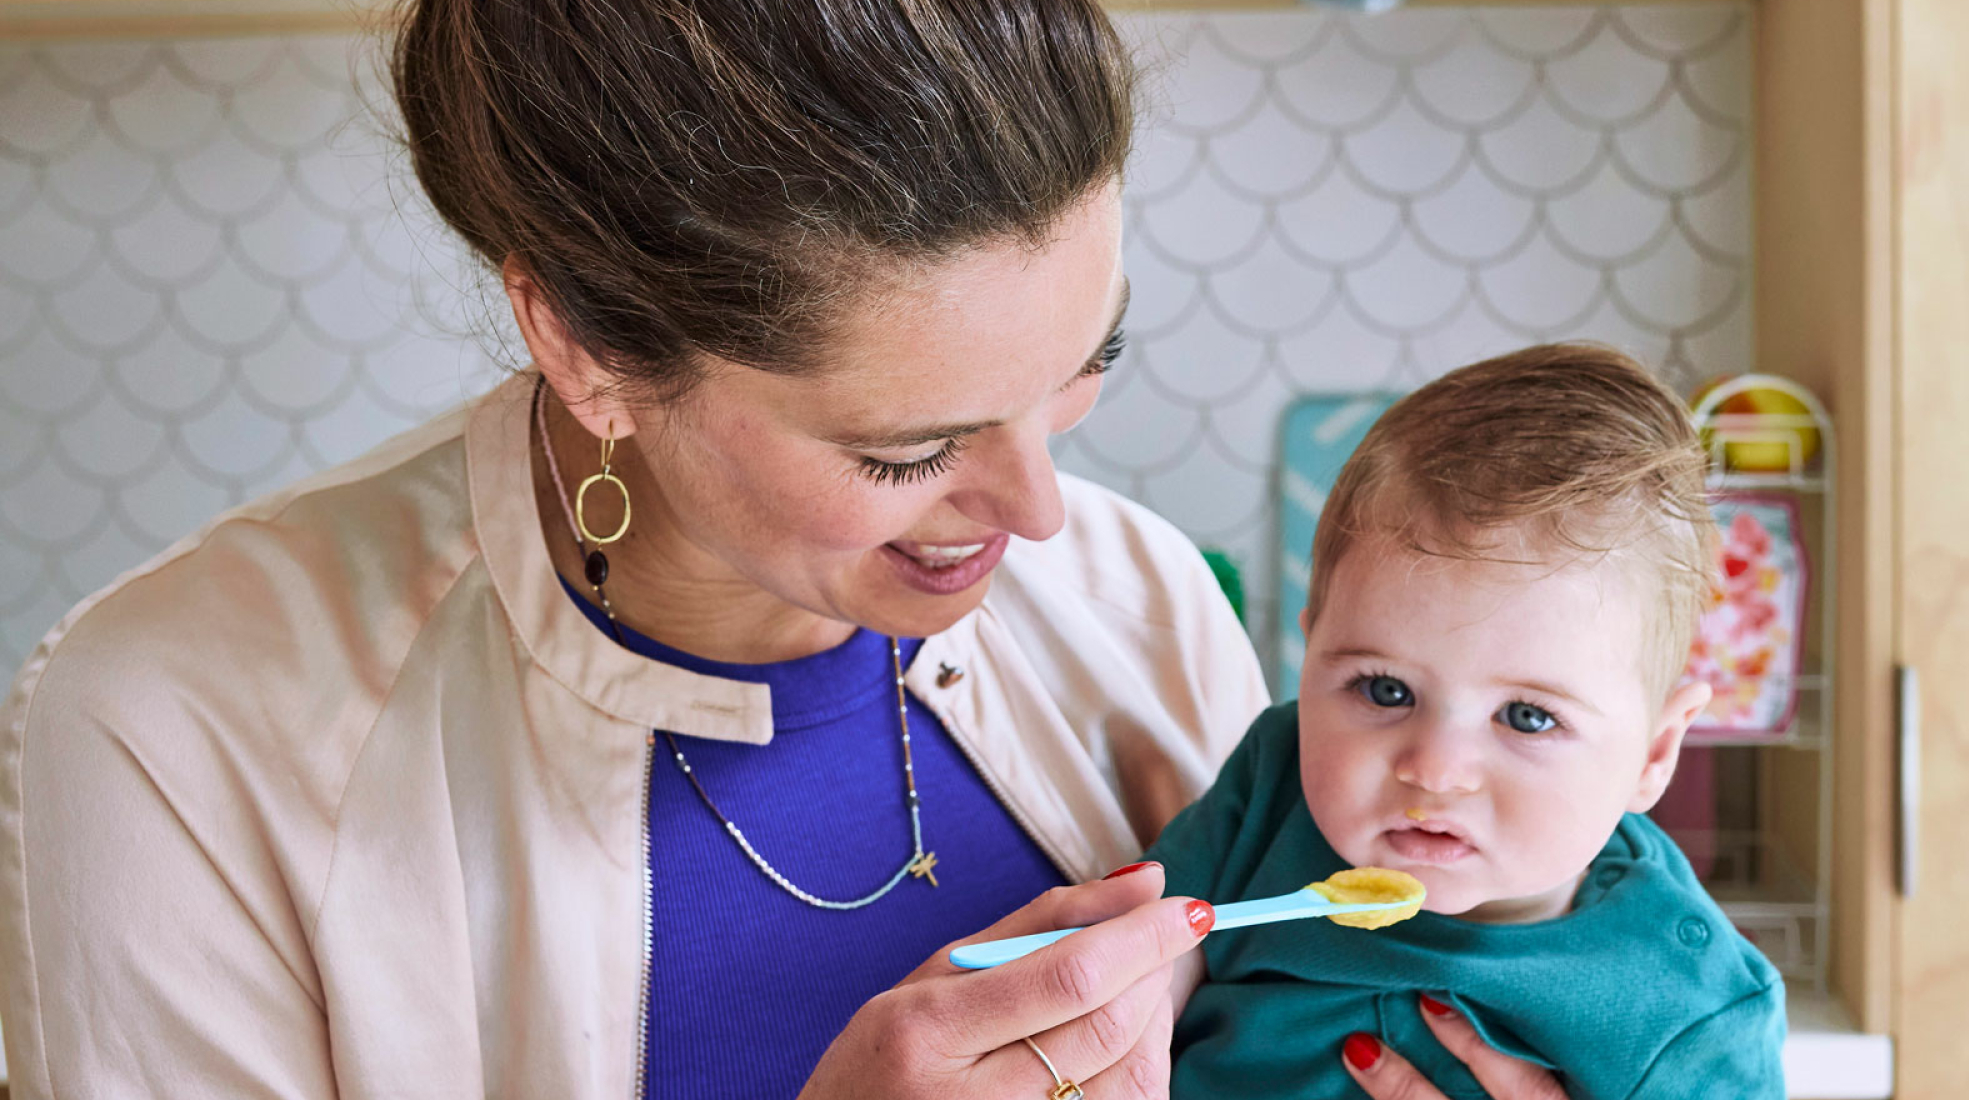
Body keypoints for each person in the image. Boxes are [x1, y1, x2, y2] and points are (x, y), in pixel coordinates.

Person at [0, 2, 1262, 1097]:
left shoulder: (1138, 598)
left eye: (1082, 367)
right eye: (906, 449)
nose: (1041, 513)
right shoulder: (175, 723)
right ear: (585, 348)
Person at [1141, 345, 1788, 1099]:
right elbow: (1154, 949)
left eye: (1526, 716)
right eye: (1384, 690)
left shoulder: (1692, 1017)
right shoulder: (1272, 782)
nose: (1436, 767)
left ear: (1654, 753)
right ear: (1312, 652)